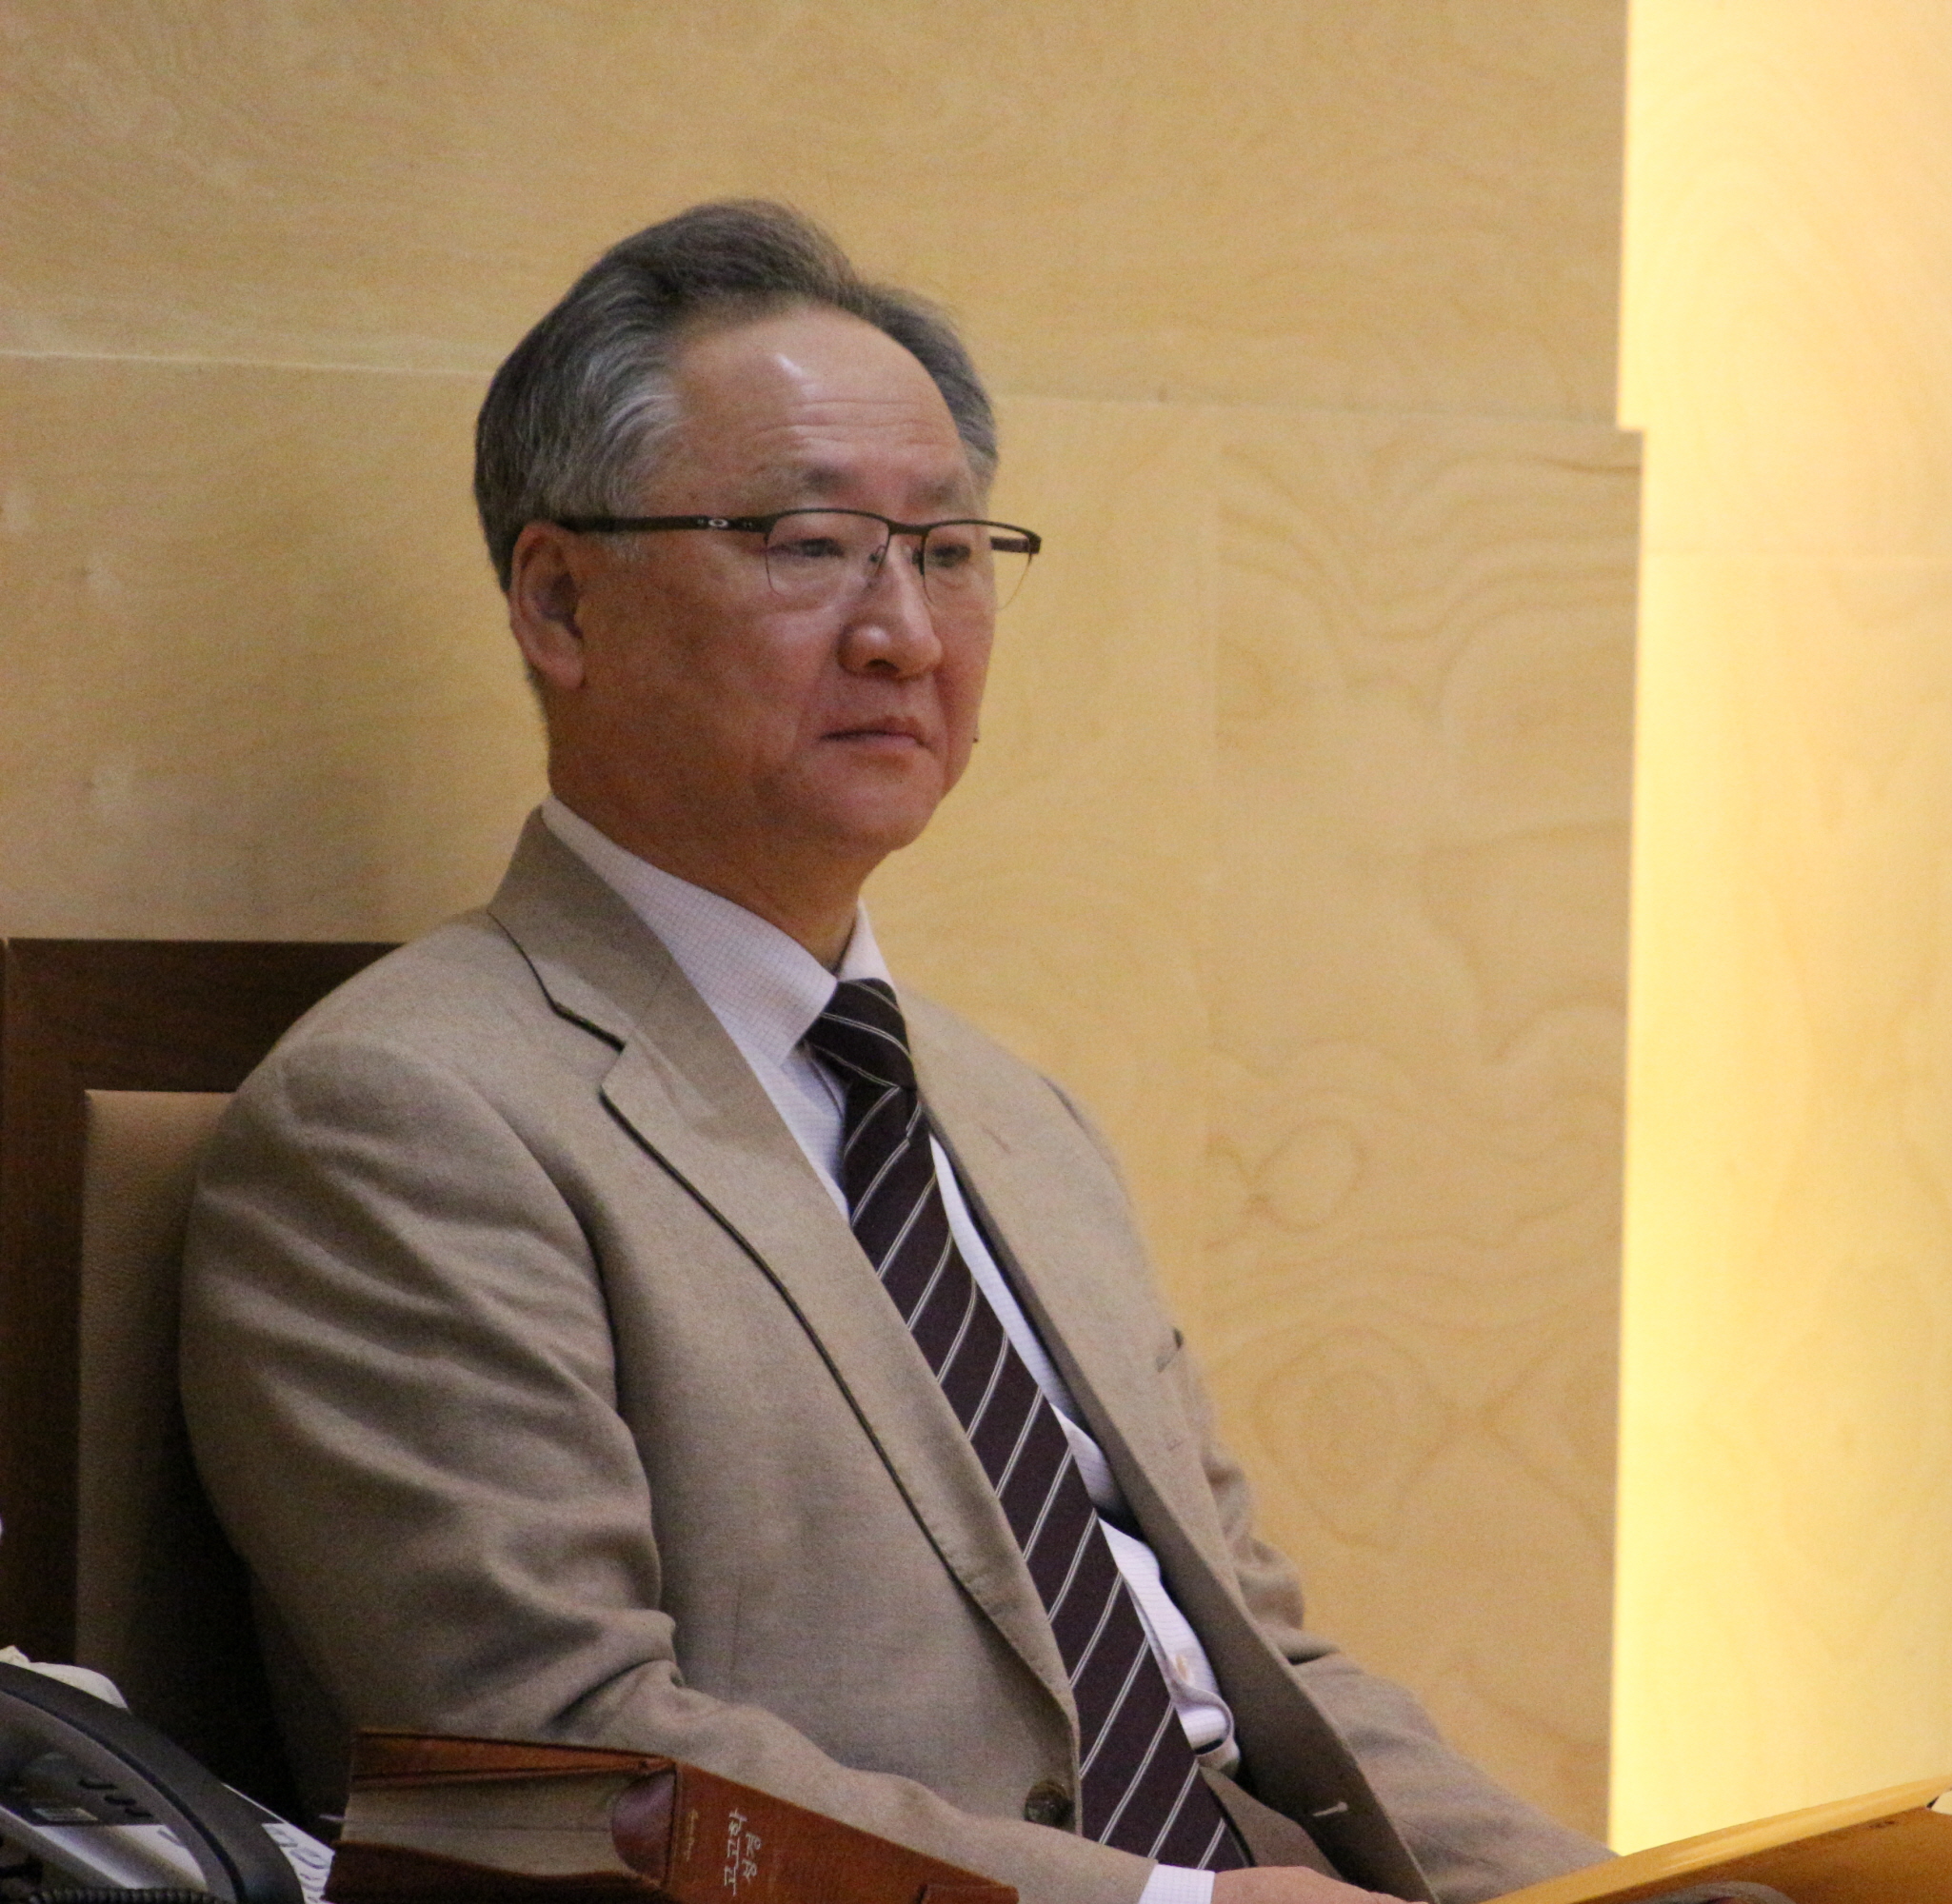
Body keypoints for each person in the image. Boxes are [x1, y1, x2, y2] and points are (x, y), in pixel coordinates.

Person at [178, 202, 1609, 1904]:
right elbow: (568, 1761)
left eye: (946, 552)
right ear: (559, 602)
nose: (907, 635)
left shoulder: (1014, 1118)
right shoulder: (407, 1117)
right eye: (810, 545)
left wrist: (1639, 1891)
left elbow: (1256, 1671)